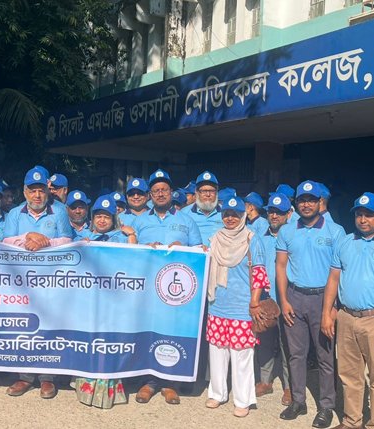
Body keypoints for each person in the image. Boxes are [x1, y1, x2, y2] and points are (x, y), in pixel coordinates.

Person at [320, 192, 374, 429]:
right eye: (359, 215)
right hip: (347, 317)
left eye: (368, 215)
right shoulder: (345, 242)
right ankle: (352, 421)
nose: (362, 220)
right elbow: (333, 279)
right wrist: (327, 313)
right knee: (349, 374)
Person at [276, 180, 344, 427]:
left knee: (325, 356)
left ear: (319, 202)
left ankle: (326, 406)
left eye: (311, 200)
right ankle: (298, 401)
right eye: (302, 200)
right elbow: (281, 266)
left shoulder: (335, 231)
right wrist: (283, 300)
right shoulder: (287, 231)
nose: (306, 204)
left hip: (323, 299)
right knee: (296, 354)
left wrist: (333, 307)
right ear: (296, 203)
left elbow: (340, 272)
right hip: (295, 296)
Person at [132, 169, 202, 405]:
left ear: (171, 192)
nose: (160, 194)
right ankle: (148, 382)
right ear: (150, 195)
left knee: (172, 332)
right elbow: (129, 253)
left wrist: (184, 248)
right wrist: (144, 249)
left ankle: (169, 382)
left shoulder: (187, 220)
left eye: (164, 189)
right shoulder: (140, 221)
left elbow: (200, 252)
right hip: (147, 290)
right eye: (155, 191)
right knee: (148, 331)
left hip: (176, 291)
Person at [3, 167, 73, 398]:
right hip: (21, 281)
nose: (37, 195)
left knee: (48, 325)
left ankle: (47, 378)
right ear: (25, 192)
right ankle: (24, 377)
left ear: (47, 191)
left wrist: (46, 242)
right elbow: (6, 241)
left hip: (51, 279)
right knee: (23, 326)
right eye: (32, 190)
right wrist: (28, 237)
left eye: (41, 190)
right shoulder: (15, 213)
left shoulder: (59, 211)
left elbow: (68, 240)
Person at [205, 195, 270, 417]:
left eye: (235, 214)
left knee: (242, 356)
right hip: (217, 304)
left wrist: (254, 302)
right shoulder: (215, 238)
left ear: (243, 215)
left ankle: (243, 400)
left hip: (242, 307)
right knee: (217, 353)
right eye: (226, 214)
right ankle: (217, 393)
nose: (230, 218)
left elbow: (259, 273)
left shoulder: (252, 239)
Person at [73, 194, 135, 408]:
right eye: (98, 216)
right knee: (90, 341)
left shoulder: (121, 238)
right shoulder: (84, 238)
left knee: (109, 343)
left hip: (114, 302)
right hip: (89, 302)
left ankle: (108, 390)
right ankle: (86, 387)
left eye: (106, 217)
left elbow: (136, 261)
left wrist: (132, 235)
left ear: (113, 219)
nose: (102, 220)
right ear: (92, 218)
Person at [254, 193, 292, 406]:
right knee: (264, 343)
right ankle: (265, 381)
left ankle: (289, 386)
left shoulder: (293, 237)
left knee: (288, 346)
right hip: (265, 299)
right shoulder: (260, 238)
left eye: (279, 212)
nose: (274, 216)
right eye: (271, 212)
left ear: (288, 214)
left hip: (287, 300)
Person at [182, 171, 223, 246]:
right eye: (203, 191)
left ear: (217, 192)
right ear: (196, 192)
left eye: (212, 191)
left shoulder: (226, 213)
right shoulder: (184, 213)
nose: (208, 194)